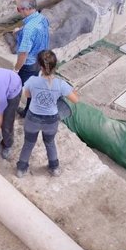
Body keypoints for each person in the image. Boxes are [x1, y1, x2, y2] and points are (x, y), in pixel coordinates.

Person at [16, 50, 78, 178]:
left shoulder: (32, 80)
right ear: (55, 66)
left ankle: (21, 170)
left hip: (32, 118)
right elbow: (75, 100)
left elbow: (27, 95)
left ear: (39, 66)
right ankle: (54, 168)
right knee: (50, 143)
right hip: (51, 121)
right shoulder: (61, 84)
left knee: (28, 143)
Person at [13, 0, 50, 116]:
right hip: (41, 58)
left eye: (19, 9)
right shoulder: (41, 18)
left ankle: (11, 110)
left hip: (29, 63)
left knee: (16, 86)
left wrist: (16, 69)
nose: (18, 12)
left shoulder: (29, 28)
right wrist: (20, 31)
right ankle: (28, 110)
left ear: (27, 9)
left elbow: (23, 54)